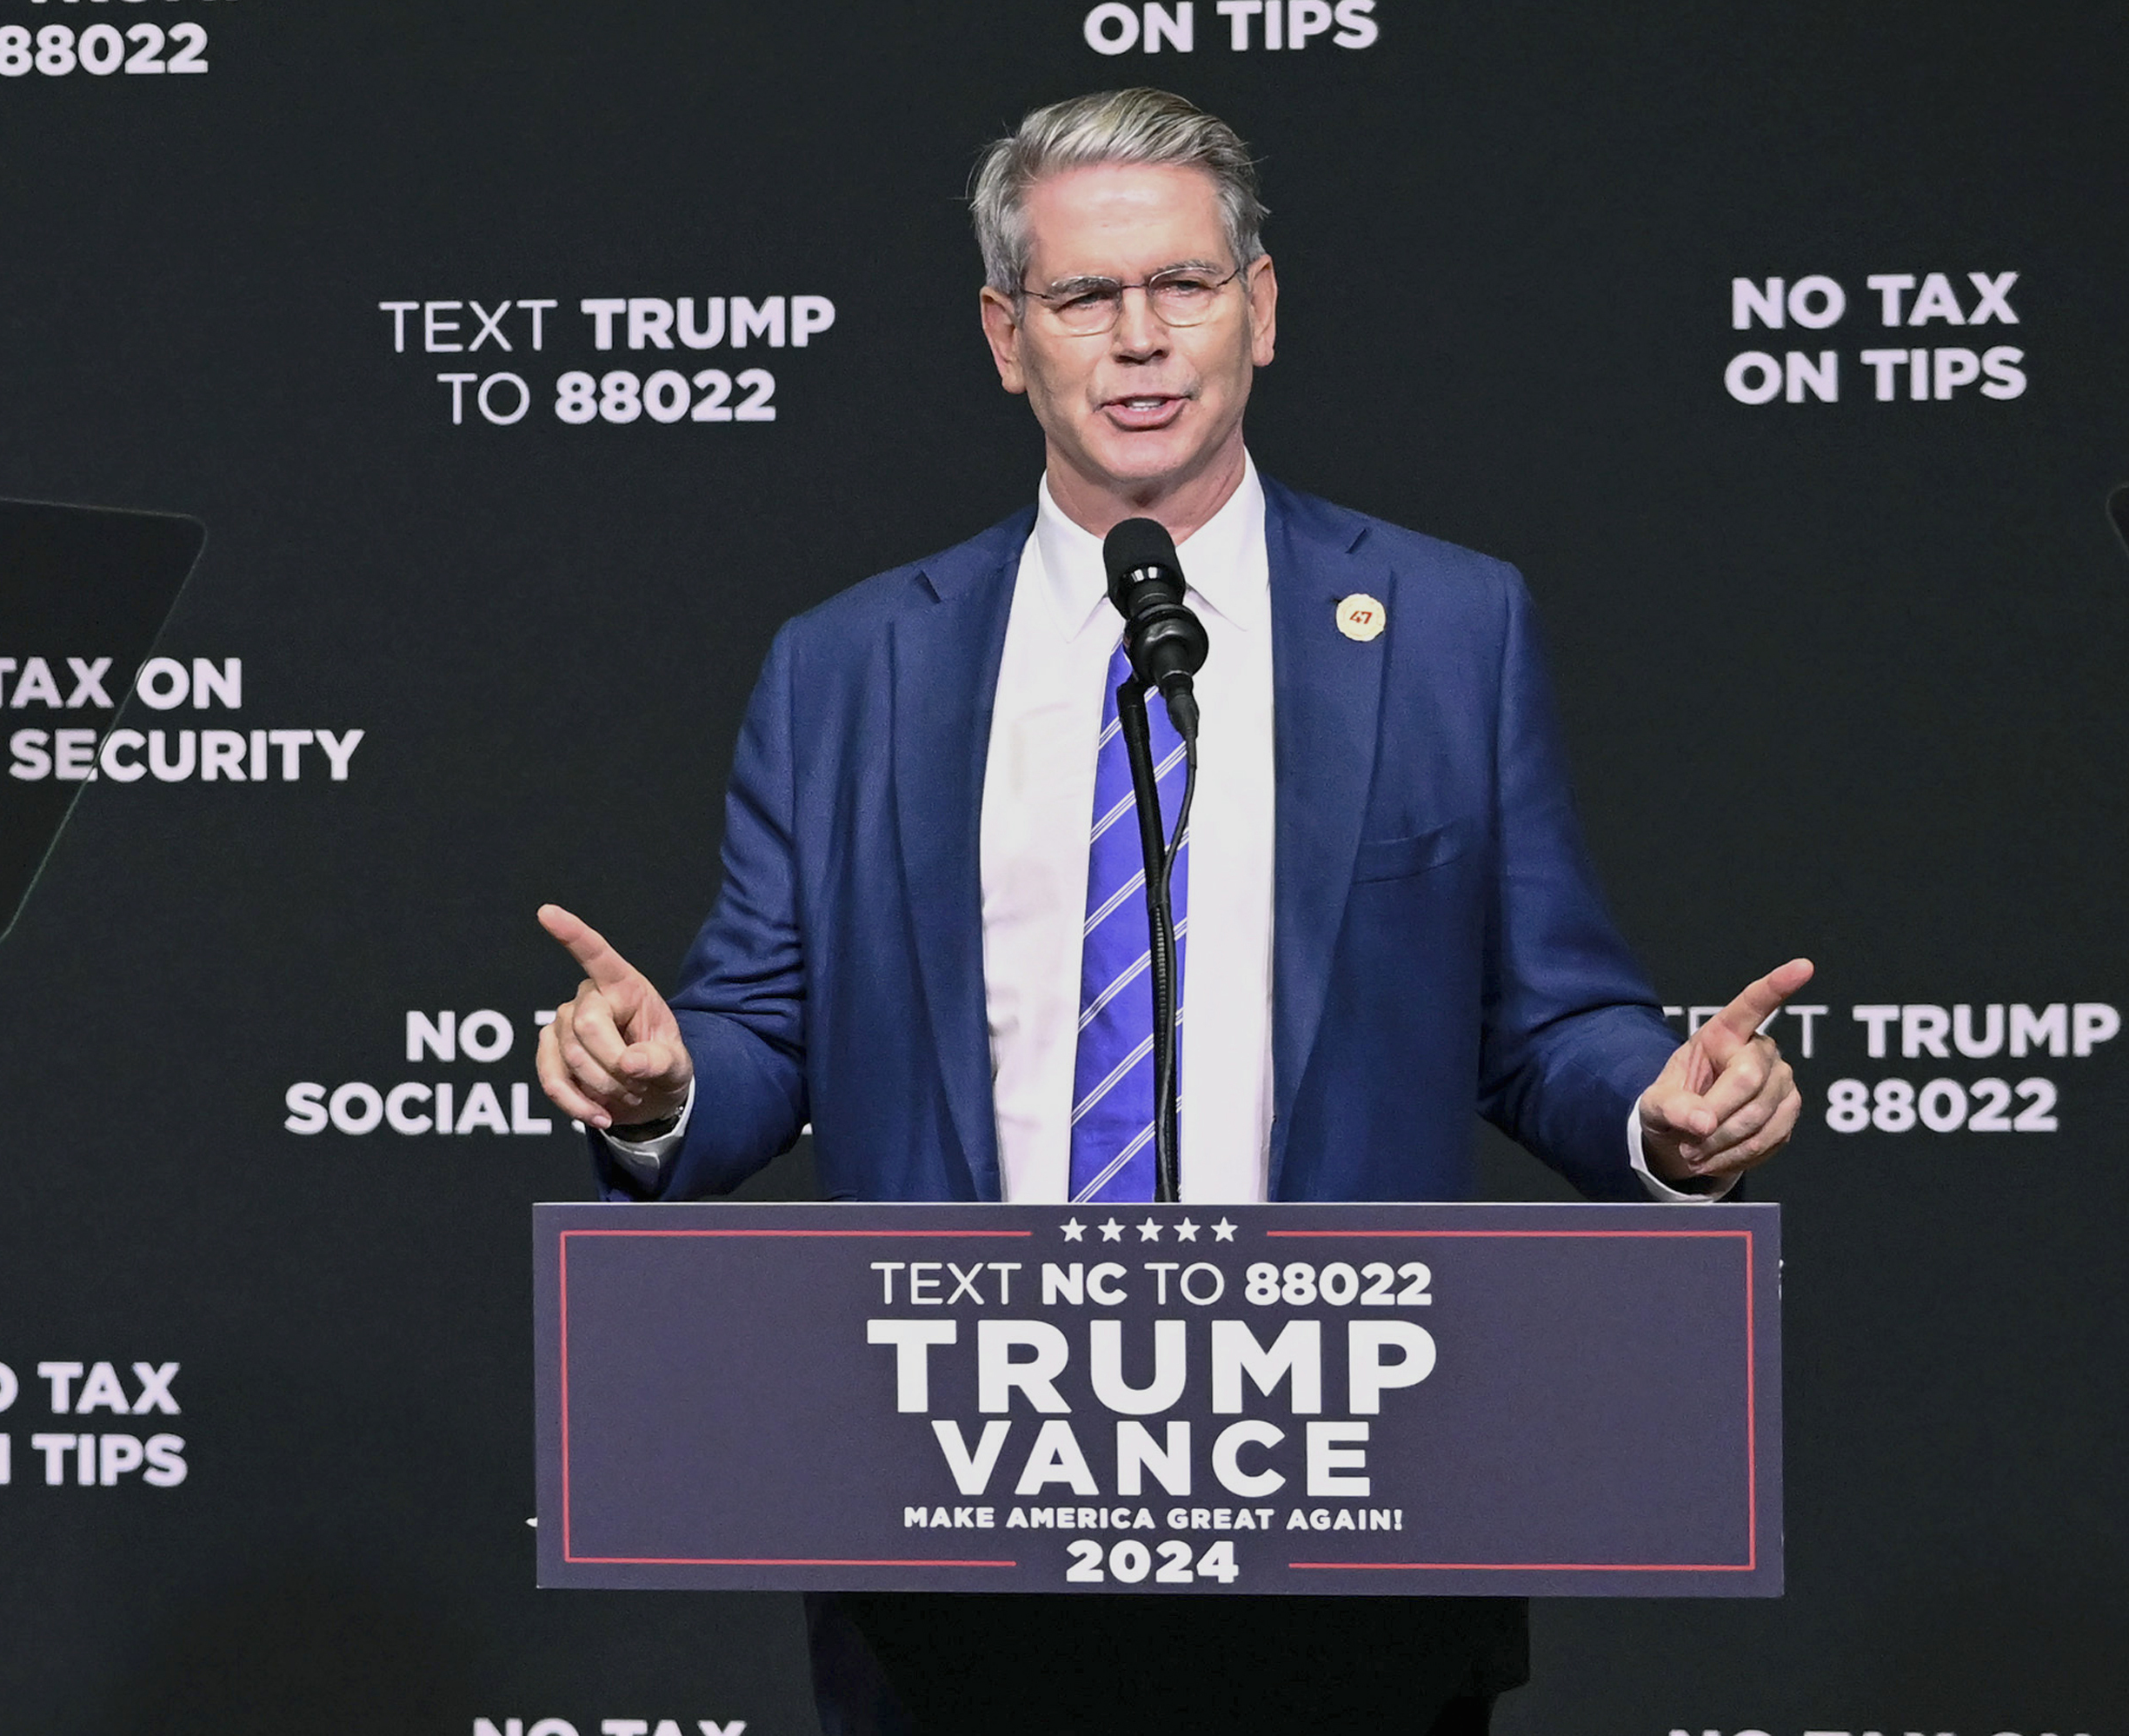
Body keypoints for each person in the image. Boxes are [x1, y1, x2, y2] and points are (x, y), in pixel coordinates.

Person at [533, 89, 1809, 1736]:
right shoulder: (854, 664)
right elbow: (765, 1030)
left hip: (1353, 1510)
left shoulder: (1445, 628)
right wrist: (664, 1088)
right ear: (1008, 338)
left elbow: (1543, 1016)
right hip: (958, 1516)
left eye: (1185, 286)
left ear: (1261, 310)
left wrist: (1660, 1108)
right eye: (1082, 297)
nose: (1140, 340)